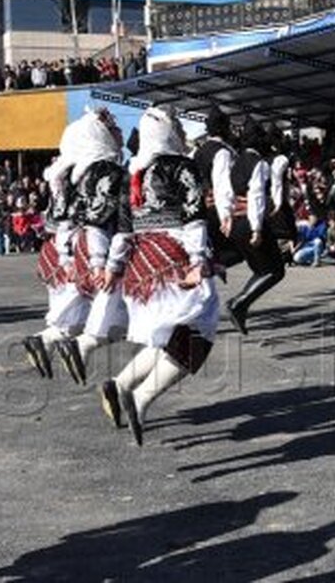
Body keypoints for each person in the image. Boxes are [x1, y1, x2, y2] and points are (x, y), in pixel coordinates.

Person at [101, 106, 219, 446]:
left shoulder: (133, 171)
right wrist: (199, 260)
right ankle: (140, 399)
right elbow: (194, 218)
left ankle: (121, 384)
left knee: (169, 335)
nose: (181, 132)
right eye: (177, 126)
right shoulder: (181, 167)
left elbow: (123, 230)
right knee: (200, 334)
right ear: (167, 132)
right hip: (174, 259)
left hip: (143, 266)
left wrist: (113, 267)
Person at [53, 109, 131, 386]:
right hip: (104, 248)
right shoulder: (107, 171)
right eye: (114, 128)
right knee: (118, 314)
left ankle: (79, 347)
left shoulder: (76, 171)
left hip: (81, 247)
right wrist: (103, 263)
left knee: (107, 315)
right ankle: (82, 350)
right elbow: (105, 221)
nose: (120, 132)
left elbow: (63, 221)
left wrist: (66, 258)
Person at [22, 128, 92, 380]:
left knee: (75, 315)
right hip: (68, 251)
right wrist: (68, 259)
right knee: (80, 315)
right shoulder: (74, 174)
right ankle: (44, 342)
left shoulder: (65, 173)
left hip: (61, 249)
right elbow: (66, 222)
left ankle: (43, 342)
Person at [223, 126, 287, 335]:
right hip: (249, 221)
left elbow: (225, 191)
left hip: (235, 220)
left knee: (262, 269)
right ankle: (239, 303)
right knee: (275, 270)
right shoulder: (258, 163)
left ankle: (240, 303)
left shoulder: (235, 161)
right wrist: (257, 229)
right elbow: (256, 196)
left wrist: (226, 216)